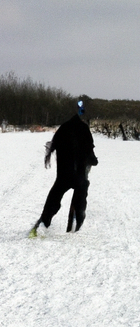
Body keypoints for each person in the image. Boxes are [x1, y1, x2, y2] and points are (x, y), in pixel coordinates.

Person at [29, 100, 98, 237]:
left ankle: (44, 221)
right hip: (78, 173)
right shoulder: (84, 129)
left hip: (63, 174)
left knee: (55, 195)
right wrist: (93, 160)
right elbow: (89, 151)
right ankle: (77, 218)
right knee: (82, 188)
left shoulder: (63, 128)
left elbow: (53, 146)